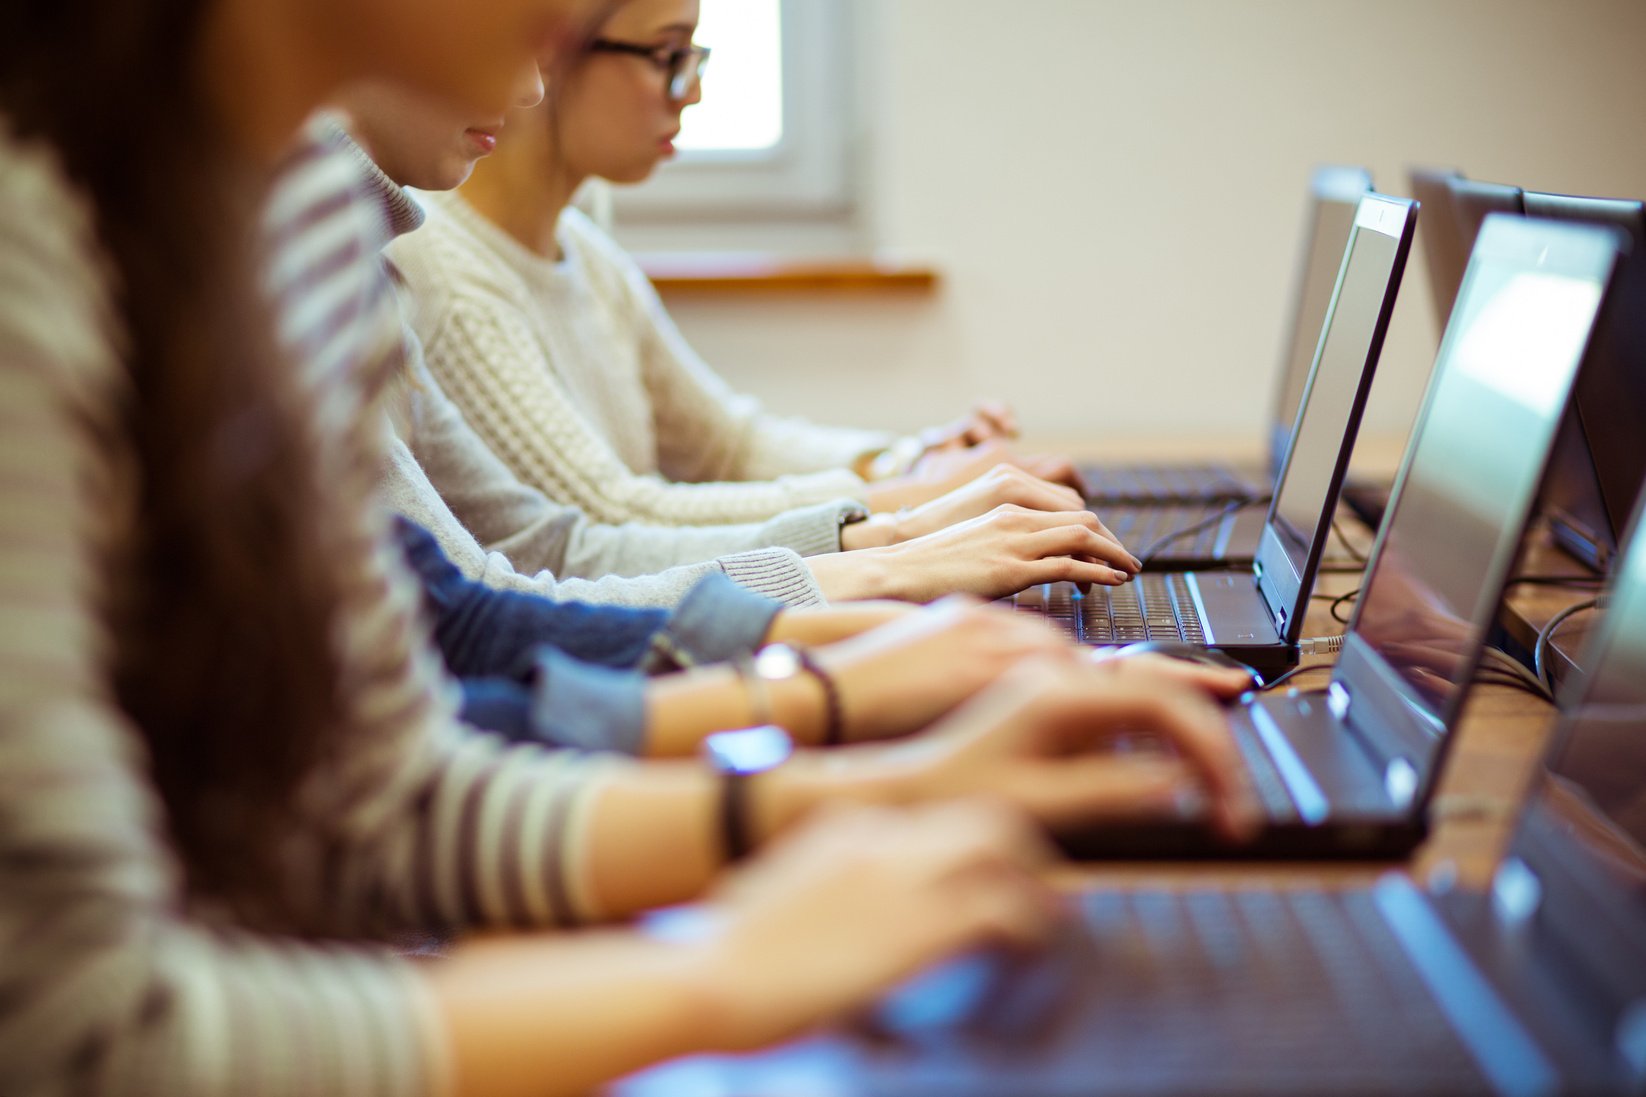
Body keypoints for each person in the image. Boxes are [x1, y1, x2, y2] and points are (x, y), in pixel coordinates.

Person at [0, 5, 1256, 1097]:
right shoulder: (32, 249)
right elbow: (81, 1040)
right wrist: (726, 963)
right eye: (657, 52)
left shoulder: (312, 222)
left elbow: (384, 793)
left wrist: (864, 787)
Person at [388, 0, 1098, 536]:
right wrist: (915, 499)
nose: (691, 90)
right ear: (554, 49)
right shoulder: (445, 270)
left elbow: (729, 444)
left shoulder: (586, 254)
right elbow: (611, 517)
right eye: (668, 57)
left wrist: (909, 459)